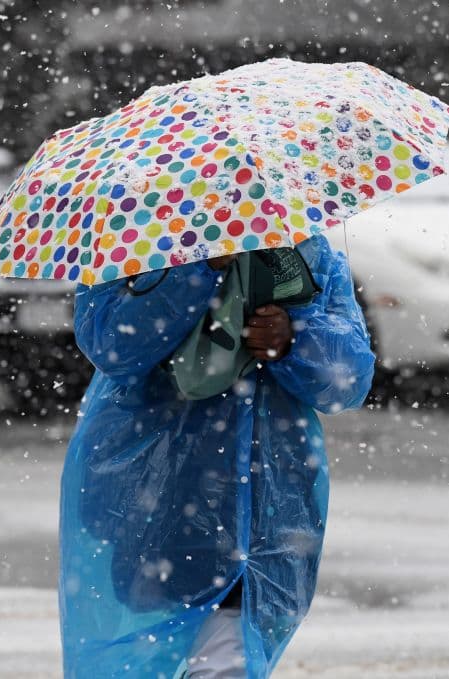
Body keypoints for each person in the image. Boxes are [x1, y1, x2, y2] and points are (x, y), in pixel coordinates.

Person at [58, 233, 375, 678]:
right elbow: (112, 345)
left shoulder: (307, 253)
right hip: (158, 492)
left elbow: (348, 380)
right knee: (155, 653)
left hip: (267, 501)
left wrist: (293, 339)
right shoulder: (129, 243)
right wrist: (198, 269)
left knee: (231, 657)